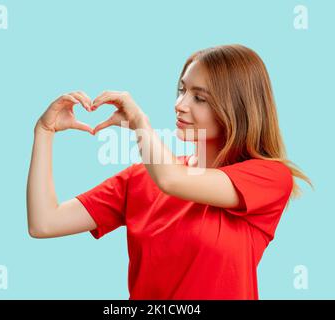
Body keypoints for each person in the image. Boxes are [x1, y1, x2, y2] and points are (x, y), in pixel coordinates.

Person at [26, 44, 313, 300]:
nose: (180, 105)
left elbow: (172, 180)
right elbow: (45, 222)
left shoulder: (269, 177)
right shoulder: (140, 179)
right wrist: (44, 131)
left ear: (237, 108)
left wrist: (140, 122)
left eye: (199, 98)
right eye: (182, 90)